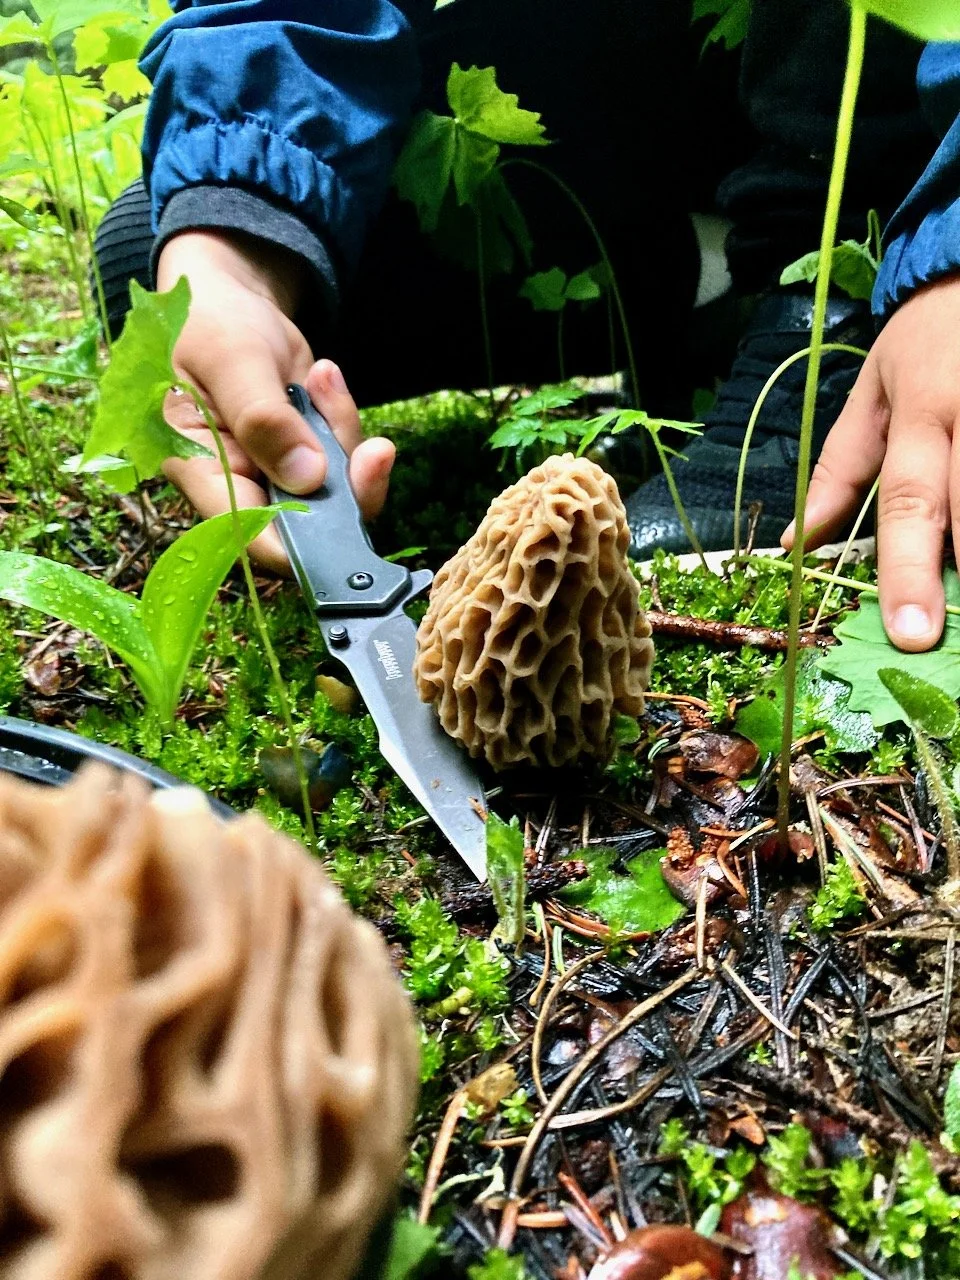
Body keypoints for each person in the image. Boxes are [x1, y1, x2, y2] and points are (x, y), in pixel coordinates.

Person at [93, 0, 956, 653]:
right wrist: (233, 245)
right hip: (634, 96)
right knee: (160, 252)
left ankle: (832, 300)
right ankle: (713, 293)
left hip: (896, 108)